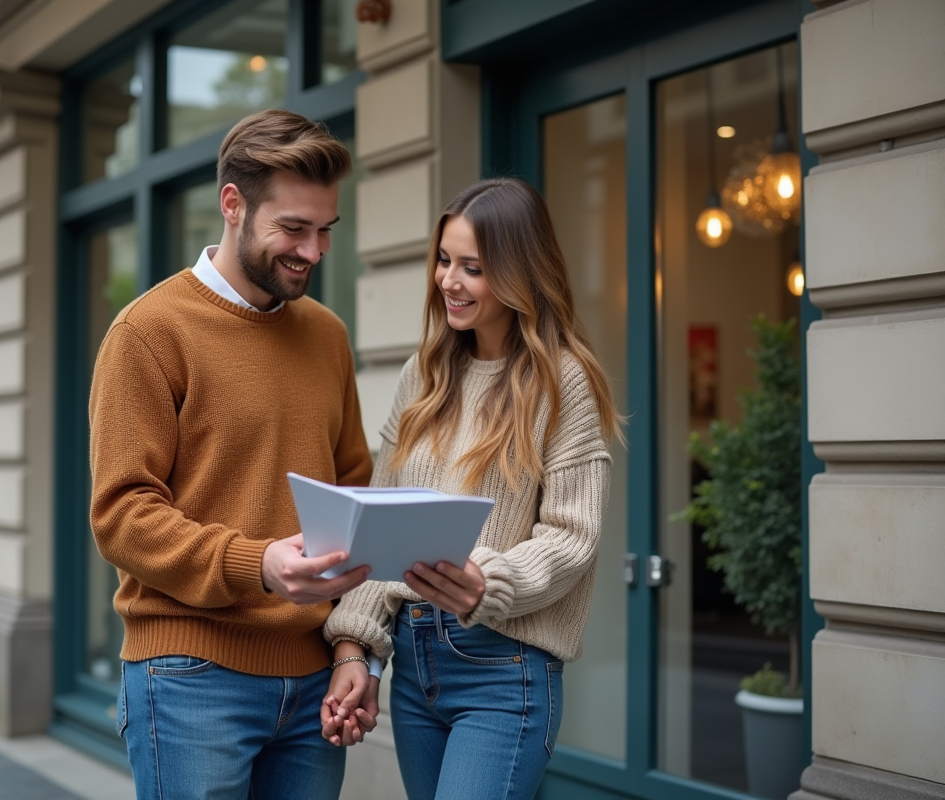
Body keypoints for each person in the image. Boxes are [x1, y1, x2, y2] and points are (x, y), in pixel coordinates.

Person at [88, 109, 376, 800]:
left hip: (315, 686)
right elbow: (121, 515)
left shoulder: (328, 336)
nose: (313, 251)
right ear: (232, 204)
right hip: (189, 679)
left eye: (325, 231)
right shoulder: (147, 332)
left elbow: (355, 495)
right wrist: (259, 563)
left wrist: (350, 648)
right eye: (294, 229)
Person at [320, 178, 621, 800]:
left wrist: (491, 582)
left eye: (473, 268)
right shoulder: (424, 374)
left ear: (520, 274)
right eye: (445, 260)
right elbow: (382, 525)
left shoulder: (564, 383)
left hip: (502, 667)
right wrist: (357, 644)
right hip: (413, 662)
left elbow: (573, 536)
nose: (448, 280)